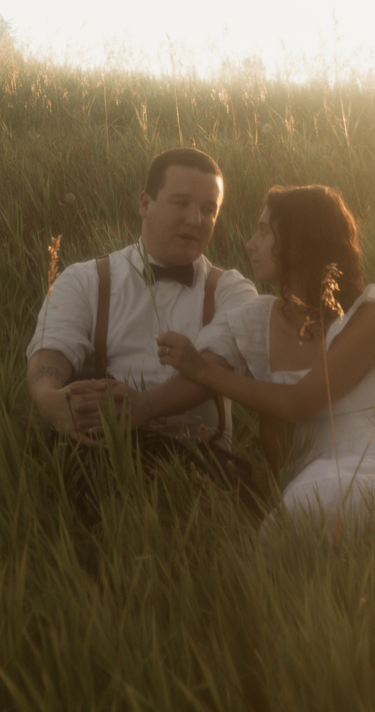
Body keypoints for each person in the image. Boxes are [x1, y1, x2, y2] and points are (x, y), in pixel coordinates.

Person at [156, 184, 375, 551]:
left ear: (299, 243)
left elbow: (297, 403)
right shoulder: (257, 319)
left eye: (264, 231)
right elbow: (268, 426)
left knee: (337, 499)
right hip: (307, 479)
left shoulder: (369, 316)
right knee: (306, 519)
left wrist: (203, 371)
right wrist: (140, 403)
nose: (250, 243)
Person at [25, 147, 261, 486]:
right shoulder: (84, 279)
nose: (195, 220)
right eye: (181, 203)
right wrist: (47, 398)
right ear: (145, 204)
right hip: (105, 449)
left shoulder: (232, 291)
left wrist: (144, 406)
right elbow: (52, 348)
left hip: (201, 457)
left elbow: (216, 364)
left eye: (209, 209)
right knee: (83, 385)